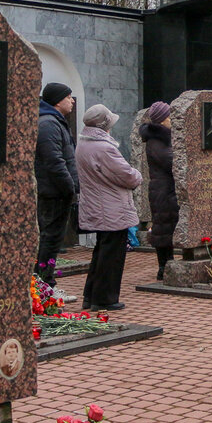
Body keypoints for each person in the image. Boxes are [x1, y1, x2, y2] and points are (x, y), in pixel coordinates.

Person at [77, 104, 142, 311]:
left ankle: (91, 296)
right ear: (103, 125)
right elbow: (127, 176)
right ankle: (105, 298)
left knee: (101, 252)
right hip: (112, 207)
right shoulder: (103, 147)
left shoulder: (84, 144)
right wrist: (138, 174)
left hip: (98, 206)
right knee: (111, 256)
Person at [34, 82, 80, 299]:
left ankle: (46, 285)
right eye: (68, 97)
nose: (72, 101)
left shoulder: (55, 122)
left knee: (52, 242)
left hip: (57, 191)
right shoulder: (49, 124)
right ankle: (44, 288)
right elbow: (54, 162)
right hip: (53, 193)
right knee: (49, 241)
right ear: (57, 100)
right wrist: (69, 187)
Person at [140, 101, 178, 280]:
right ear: (162, 120)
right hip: (162, 190)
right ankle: (164, 266)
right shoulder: (156, 141)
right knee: (162, 227)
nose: (172, 120)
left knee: (167, 226)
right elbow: (170, 162)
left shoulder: (163, 138)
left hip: (165, 189)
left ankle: (167, 264)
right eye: (169, 116)